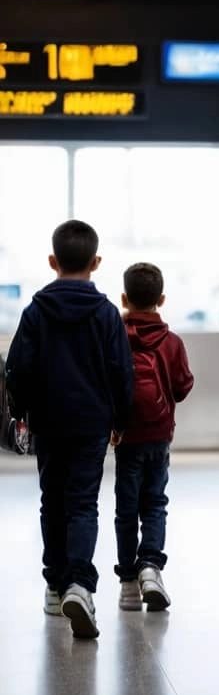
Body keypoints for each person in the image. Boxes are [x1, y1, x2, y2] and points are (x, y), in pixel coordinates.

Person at [5, 220, 133, 640]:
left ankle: (55, 586)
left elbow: (17, 369)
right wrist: (120, 419)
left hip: (48, 422)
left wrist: (20, 413)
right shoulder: (107, 314)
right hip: (91, 423)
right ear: (96, 263)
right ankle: (80, 583)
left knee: (51, 502)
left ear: (52, 261)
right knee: (83, 504)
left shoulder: (36, 312)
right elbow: (121, 372)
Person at [112, 261, 194, 614]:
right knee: (155, 503)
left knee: (126, 509)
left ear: (124, 298)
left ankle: (128, 585)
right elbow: (183, 386)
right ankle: (151, 567)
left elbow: (108, 382)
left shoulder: (114, 337)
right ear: (161, 299)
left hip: (127, 437)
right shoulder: (172, 342)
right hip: (159, 436)